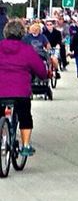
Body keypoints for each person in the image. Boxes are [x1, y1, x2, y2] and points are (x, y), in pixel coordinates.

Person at [0, 18, 48, 157]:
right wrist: (43, 76)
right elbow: (40, 70)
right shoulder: (27, 50)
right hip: (20, 92)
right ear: (22, 34)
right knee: (25, 116)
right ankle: (26, 145)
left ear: (5, 33)